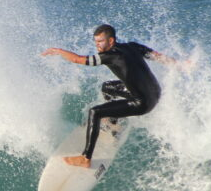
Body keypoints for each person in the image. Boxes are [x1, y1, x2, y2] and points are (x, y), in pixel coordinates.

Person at [41, 24, 180, 168]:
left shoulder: (109, 56)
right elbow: (157, 56)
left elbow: (78, 59)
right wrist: (180, 65)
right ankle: (113, 123)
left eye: (100, 42)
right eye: (96, 42)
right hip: (155, 92)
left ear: (111, 41)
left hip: (143, 103)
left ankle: (85, 158)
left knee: (94, 112)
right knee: (107, 87)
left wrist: (59, 51)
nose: (97, 46)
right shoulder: (131, 46)